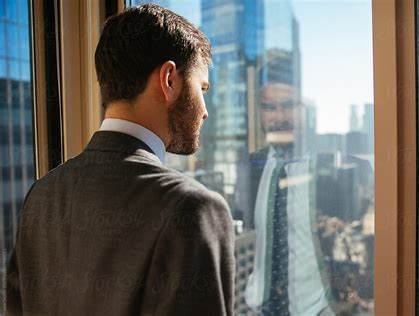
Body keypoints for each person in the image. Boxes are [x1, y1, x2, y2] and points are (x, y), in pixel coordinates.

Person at [6, 4, 235, 316]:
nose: (205, 109)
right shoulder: (192, 207)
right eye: (202, 87)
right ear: (169, 79)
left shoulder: (41, 193)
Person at [243, 80, 334, 315]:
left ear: (307, 109)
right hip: (260, 309)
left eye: (289, 105)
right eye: (269, 108)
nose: (279, 117)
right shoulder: (249, 168)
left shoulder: (334, 171)